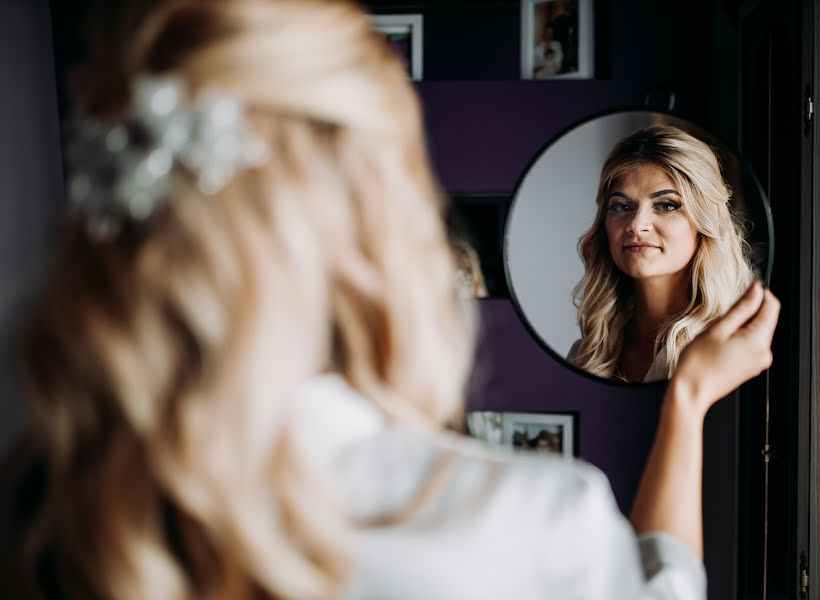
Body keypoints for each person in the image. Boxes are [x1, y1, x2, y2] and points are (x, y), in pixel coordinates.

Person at [0, 1, 779, 598]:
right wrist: (689, 401)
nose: (637, 223)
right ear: (380, 204)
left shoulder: (44, 503)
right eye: (618, 202)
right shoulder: (530, 520)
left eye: (667, 204)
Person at [568, 125, 757, 382]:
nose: (636, 224)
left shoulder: (731, 349)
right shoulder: (586, 354)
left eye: (666, 205)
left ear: (704, 221)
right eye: (622, 206)